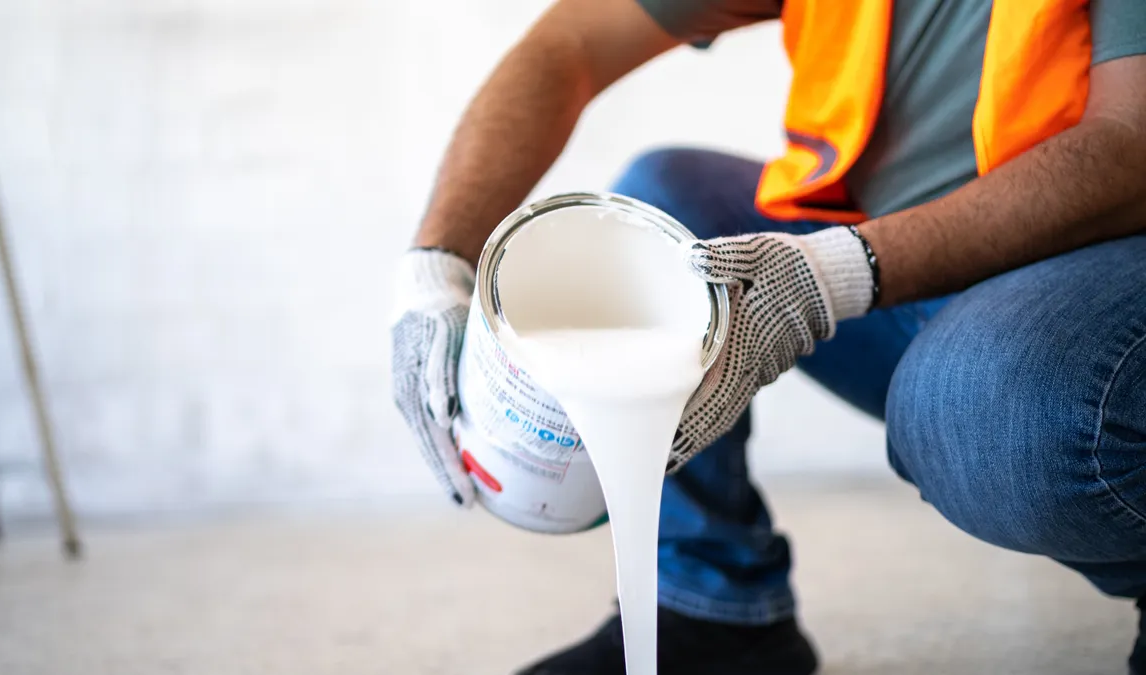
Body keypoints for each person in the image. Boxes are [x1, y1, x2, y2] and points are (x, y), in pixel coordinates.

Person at [390, 1, 1146, 672]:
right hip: (928, 277)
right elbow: (573, 41)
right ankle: (712, 615)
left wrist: (831, 275)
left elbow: (1132, 145)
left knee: (998, 414)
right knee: (659, 210)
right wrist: (435, 263)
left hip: (1099, 272)